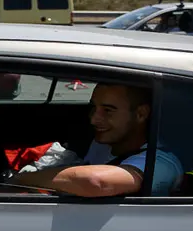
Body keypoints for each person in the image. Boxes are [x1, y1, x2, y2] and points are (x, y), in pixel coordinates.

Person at [11, 83, 183, 197]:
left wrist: (19, 180)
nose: (94, 119)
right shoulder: (104, 144)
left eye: (108, 110)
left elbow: (96, 182)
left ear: (141, 114)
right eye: (94, 107)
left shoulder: (160, 163)